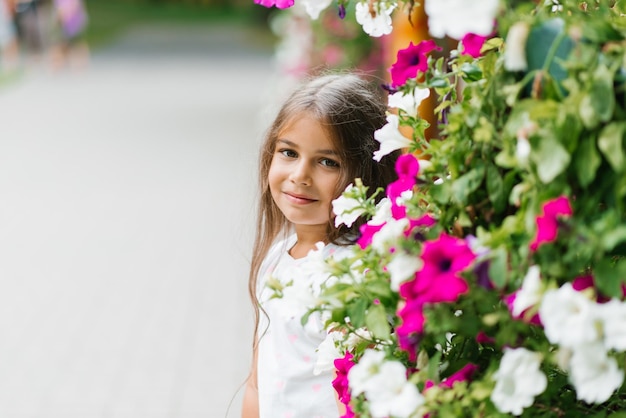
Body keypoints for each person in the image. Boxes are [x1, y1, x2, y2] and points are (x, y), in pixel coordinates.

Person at [242, 73, 400, 417]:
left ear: (366, 173)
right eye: (288, 152)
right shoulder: (276, 257)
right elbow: (257, 383)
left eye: (328, 162)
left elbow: (356, 401)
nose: (300, 174)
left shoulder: (353, 274)